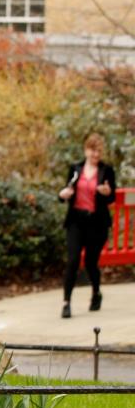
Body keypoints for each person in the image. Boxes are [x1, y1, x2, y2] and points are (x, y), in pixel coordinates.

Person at [58, 132, 117, 318]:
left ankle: (96, 293)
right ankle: (66, 303)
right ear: (86, 150)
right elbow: (67, 189)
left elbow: (112, 196)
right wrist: (63, 194)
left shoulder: (107, 170)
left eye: (99, 151)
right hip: (76, 221)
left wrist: (107, 192)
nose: (95, 154)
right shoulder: (75, 169)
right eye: (93, 150)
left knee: (91, 262)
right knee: (73, 260)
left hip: (96, 223)